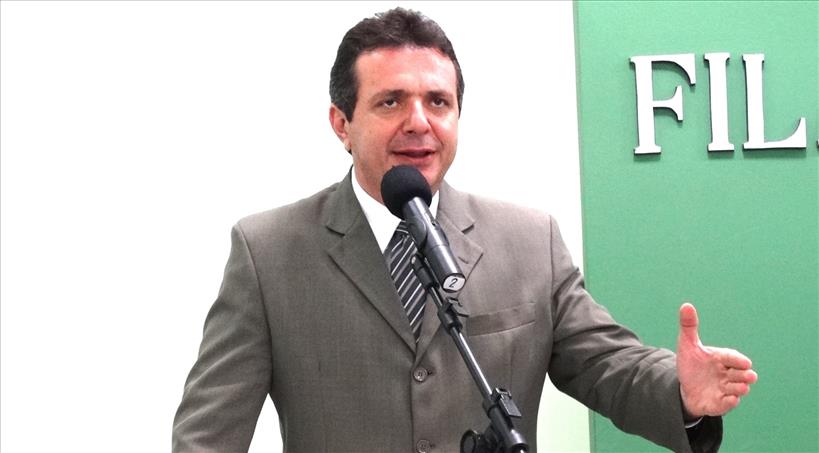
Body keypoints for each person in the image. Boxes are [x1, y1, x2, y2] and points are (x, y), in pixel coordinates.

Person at [173, 8, 757, 453]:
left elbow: (606, 364)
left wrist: (681, 392)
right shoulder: (268, 254)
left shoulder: (529, 241)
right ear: (341, 123)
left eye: (438, 101)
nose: (419, 122)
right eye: (390, 102)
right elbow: (207, 437)